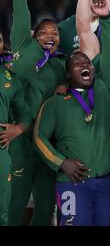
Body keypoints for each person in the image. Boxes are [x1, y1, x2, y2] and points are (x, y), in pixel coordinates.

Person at [33, 0, 110, 226]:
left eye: (87, 61)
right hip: (71, 182)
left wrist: (106, 19)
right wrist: (62, 163)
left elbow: (109, 58)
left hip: (107, 181)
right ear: (67, 75)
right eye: (76, 62)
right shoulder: (56, 102)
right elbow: (38, 137)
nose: (84, 63)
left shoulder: (106, 89)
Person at [8, 0, 66, 226]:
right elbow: (21, 9)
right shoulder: (22, 44)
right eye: (44, 32)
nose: (51, 36)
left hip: (44, 140)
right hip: (16, 136)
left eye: (55, 33)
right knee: (16, 200)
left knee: (45, 205)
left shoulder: (58, 67)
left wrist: (64, 87)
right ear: (34, 35)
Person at [0, 33, 32, 226]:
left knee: (3, 208)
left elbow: (24, 113)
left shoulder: (9, 77)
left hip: (1, 148)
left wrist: (18, 129)